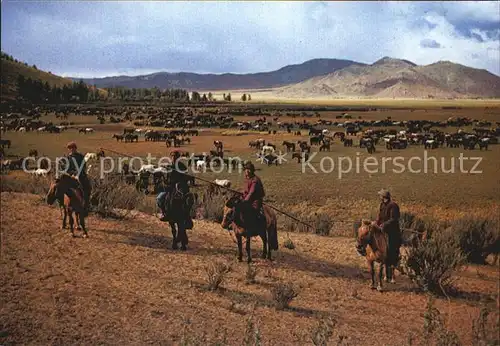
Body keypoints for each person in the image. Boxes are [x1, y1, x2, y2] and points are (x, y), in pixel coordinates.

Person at [358, 189, 402, 266]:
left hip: (391, 229)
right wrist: (376, 222)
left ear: (384, 197)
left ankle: (393, 259)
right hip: (381, 227)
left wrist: (384, 224)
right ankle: (364, 249)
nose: (380, 197)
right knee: (369, 234)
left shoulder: (393, 205)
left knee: (392, 244)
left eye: (380, 196)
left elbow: (394, 219)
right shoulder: (382, 204)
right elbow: (380, 216)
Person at [157, 151, 192, 227]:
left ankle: (187, 218)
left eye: (175, 156)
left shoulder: (182, 166)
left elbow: (186, 176)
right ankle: (164, 213)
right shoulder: (169, 166)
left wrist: (183, 174)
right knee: (159, 198)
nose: (173, 158)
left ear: (178, 157)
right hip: (170, 187)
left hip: (179, 187)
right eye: (172, 156)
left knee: (187, 200)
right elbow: (166, 177)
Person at [238, 162, 266, 234]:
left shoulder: (255, 180)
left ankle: (251, 228)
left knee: (250, 211)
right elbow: (245, 191)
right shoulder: (247, 179)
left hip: (255, 200)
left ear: (252, 171)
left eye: (249, 169)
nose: (247, 171)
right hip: (247, 199)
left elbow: (251, 192)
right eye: (246, 169)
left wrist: (245, 201)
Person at [65, 141, 92, 215]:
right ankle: (65, 205)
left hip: (81, 175)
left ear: (75, 148)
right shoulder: (68, 157)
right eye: (70, 148)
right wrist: (72, 174)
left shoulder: (80, 156)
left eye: (73, 148)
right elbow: (67, 168)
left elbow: (83, 166)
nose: (71, 150)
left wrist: (78, 174)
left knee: (87, 188)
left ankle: (86, 206)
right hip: (72, 176)